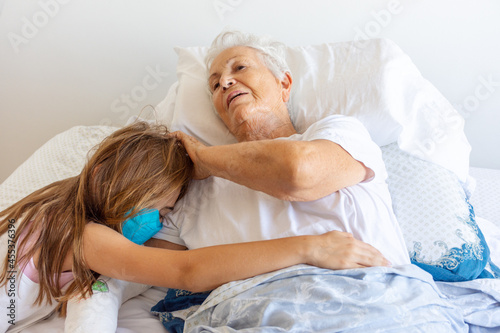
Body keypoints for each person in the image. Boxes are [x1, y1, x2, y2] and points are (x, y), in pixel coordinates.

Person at [0, 121, 371, 332]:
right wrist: (309, 247)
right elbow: (187, 270)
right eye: (158, 208)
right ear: (103, 178)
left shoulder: (51, 212)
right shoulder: (84, 236)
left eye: (165, 215)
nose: (157, 224)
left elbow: (184, 258)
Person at [154, 30, 411, 267]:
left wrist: (203, 157)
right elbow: (155, 266)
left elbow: (298, 173)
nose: (225, 82)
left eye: (240, 67)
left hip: (374, 297)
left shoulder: (339, 133)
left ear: (284, 84)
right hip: (253, 313)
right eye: (214, 85)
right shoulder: (198, 191)